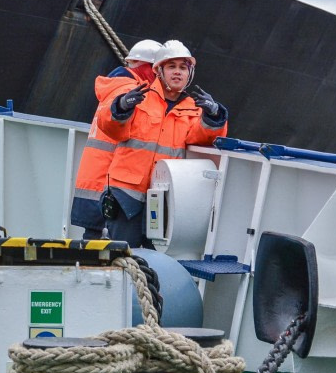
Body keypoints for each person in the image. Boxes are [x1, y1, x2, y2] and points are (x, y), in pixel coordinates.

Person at [96, 40, 229, 247]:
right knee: (122, 257)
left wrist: (214, 115)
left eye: (183, 68)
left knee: (155, 264)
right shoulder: (140, 98)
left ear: (189, 73)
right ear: (159, 71)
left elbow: (201, 136)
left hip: (162, 198)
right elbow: (110, 127)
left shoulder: (193, 109)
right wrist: (121, 107)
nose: (177, 72)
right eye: (171, 66)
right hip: (125, 196)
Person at [71, 39, 161, 239]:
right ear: (148, 69)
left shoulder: (114, 87)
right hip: (110, 187)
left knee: (95, 249)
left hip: (96, 184)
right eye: (158, 70)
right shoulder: (129, 90)